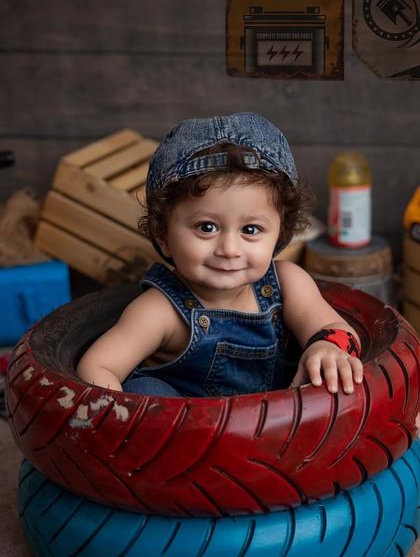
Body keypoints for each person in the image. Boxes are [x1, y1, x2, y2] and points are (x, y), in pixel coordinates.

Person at [77, 112, 363, 397]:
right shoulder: (159, 312)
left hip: (273, 428)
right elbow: (97, 366)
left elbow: (336, 327)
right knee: (145, 390)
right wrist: (124, 418)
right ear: (163, 236)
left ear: (280, 233)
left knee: (321, 373)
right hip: (179, 434)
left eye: (250, 229)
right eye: (207, 227)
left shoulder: (287, 283)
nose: (229, 249)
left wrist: (325, 347)